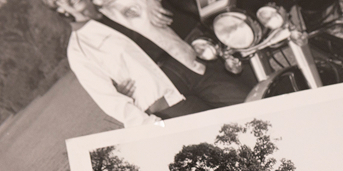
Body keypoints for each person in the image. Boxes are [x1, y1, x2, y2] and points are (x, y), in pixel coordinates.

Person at [43, 0, 252, 127]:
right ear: (59, 8)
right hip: (165, 101)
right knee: (222, 138)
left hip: (189, 66)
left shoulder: (116, 5)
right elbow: (108, 99)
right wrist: (150, 126)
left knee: (251, 107)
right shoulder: (79, 50)